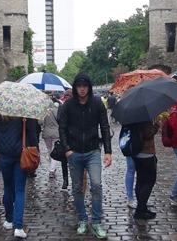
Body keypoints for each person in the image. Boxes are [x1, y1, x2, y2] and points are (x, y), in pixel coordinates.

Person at [58, 71, 113, 239]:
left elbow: (104, 127)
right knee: (76, 188)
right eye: (79, 86)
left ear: (89, 87)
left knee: (96, 185)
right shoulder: (68, 105)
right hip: (74, 152)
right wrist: (67, 149)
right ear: (75, 88)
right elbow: (62, 128)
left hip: (92, 151)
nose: (82, 89)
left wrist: (108, 151)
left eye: (85, 86)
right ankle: (82, 219)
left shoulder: (97, 104)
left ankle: (96, 221)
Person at [0, 111, 39, 239]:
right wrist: (35, 150)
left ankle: (9, 220)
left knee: (7, 188)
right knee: (19, 190)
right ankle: (18, 226)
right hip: (20, 155)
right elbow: (32, 134)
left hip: (5, 155)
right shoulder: (24, 114)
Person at [131, 120, 160, 220]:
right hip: (147, 153)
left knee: (140, 180)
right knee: (149, 181)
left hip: (136, 153)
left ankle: (142, 208)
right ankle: (140, 210)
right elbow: (148, 134)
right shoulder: (145, 118)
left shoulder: (133, 116)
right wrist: (157, 126)